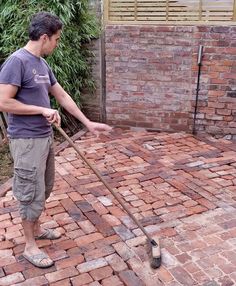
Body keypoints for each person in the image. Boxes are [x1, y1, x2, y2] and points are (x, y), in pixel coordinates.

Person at [0, 12, 112, 268]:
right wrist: (41, 110)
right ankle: (30, 246)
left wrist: (88, 122)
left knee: (45, 186)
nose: (57, 44)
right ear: (44, 37)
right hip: (26, 140)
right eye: (57, 39)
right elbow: (3, 101)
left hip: (44, 137)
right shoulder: (16, 62)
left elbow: (61, 95)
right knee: (30, 191)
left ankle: (37, 229)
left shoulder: (41, 64)